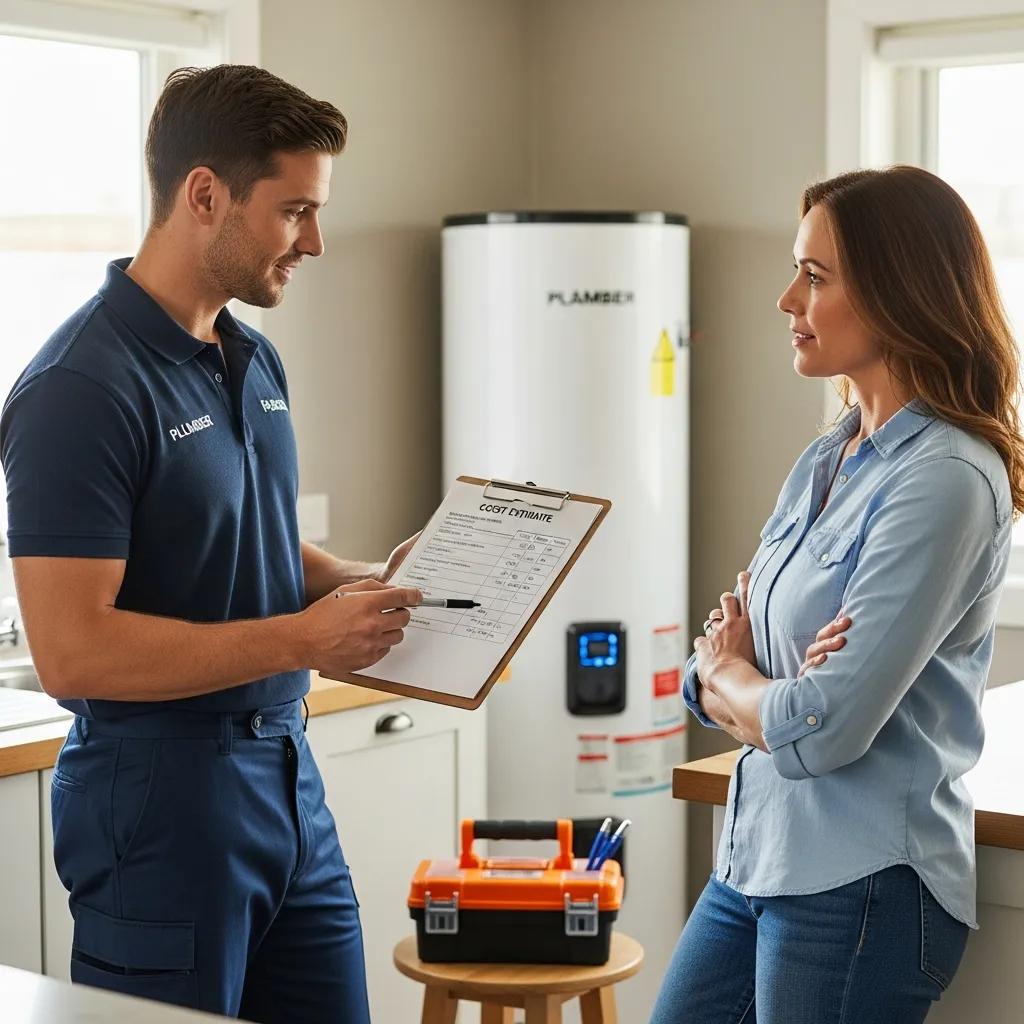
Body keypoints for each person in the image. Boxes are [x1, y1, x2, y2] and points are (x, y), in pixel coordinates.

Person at [0, 65, 423, 1023]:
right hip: (158, 801)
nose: (315, 241)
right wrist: (305, 641)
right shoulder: (79, 388)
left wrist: (369, 579)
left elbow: (252, 549)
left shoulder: (251, 356)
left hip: (287, 776)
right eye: (294, 212)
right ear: (204, 195)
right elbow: (72, 652)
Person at [650, 166, 1024, 1024]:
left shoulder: (948, 481)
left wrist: (749, 682)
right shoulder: (830, 457)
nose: (787, 299)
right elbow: (715, 666)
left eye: (814, 277)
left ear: (899, 295)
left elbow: (828, 726)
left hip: (860, 888)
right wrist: (751, 682)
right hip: (755, 860)